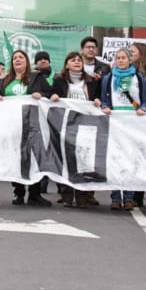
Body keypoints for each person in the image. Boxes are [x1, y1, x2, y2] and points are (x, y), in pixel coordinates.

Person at [0, 49, 54, 206]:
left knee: (34, 159)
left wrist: (41, 95)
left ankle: (35, 193)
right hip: (13, 126)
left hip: (32, 124)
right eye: (15, 58)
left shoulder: (37, 78)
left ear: (27, 61)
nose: (17, 60)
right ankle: (19, 192)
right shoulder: (4, 81)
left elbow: (50, 94)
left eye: (21, 57)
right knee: (16, 159)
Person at [100, 45, 146, 211]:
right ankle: (116, 197)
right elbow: (104, 99)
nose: (121, 61)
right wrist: (105, 106)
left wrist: (142, 108)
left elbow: (144, 99)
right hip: (116, 123)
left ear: (130, 60)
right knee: (115, 160)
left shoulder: (140, 78)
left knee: (131, 160)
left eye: (124, 58)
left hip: (132, 123)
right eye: (118, 58)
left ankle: (129, 197)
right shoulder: (108, 78)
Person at [49, 51, 101, 207]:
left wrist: (98, 100)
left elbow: (98, 97)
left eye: (79, 60)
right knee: (67, 160)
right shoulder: (59, 81)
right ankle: (66, 195)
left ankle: (82, 196)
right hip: (66, 125)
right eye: (73, 60)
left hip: (86, 126)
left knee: (84, 161)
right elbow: (50, 94)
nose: (77, 62)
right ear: (66, 64)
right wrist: (53, 97)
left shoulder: (91, 82)